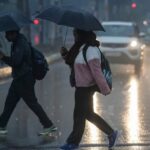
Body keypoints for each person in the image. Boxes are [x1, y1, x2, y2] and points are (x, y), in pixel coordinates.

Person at [60, 29, 118, 149]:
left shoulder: (91, 50)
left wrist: (105, 88)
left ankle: (73, 143)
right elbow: (73, 63)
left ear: (82, 35)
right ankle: (111, 133)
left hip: (86, 88)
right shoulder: (80, 48)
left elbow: (97, 72)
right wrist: (65, 54)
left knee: (79, 115)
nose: (74, 37)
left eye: (76, 35)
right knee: (88, 114)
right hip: (81, 86)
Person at [0, 30, 57, 136]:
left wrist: (3, 57)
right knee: (9, 104)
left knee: (32, 103)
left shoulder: (20, 44)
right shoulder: (17, 43)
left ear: (14, 33)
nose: (6, 36)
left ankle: (48, 125)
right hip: (19, 78)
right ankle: (1, 126)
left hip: (24, 79)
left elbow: (15, 62)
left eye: (8, 34)